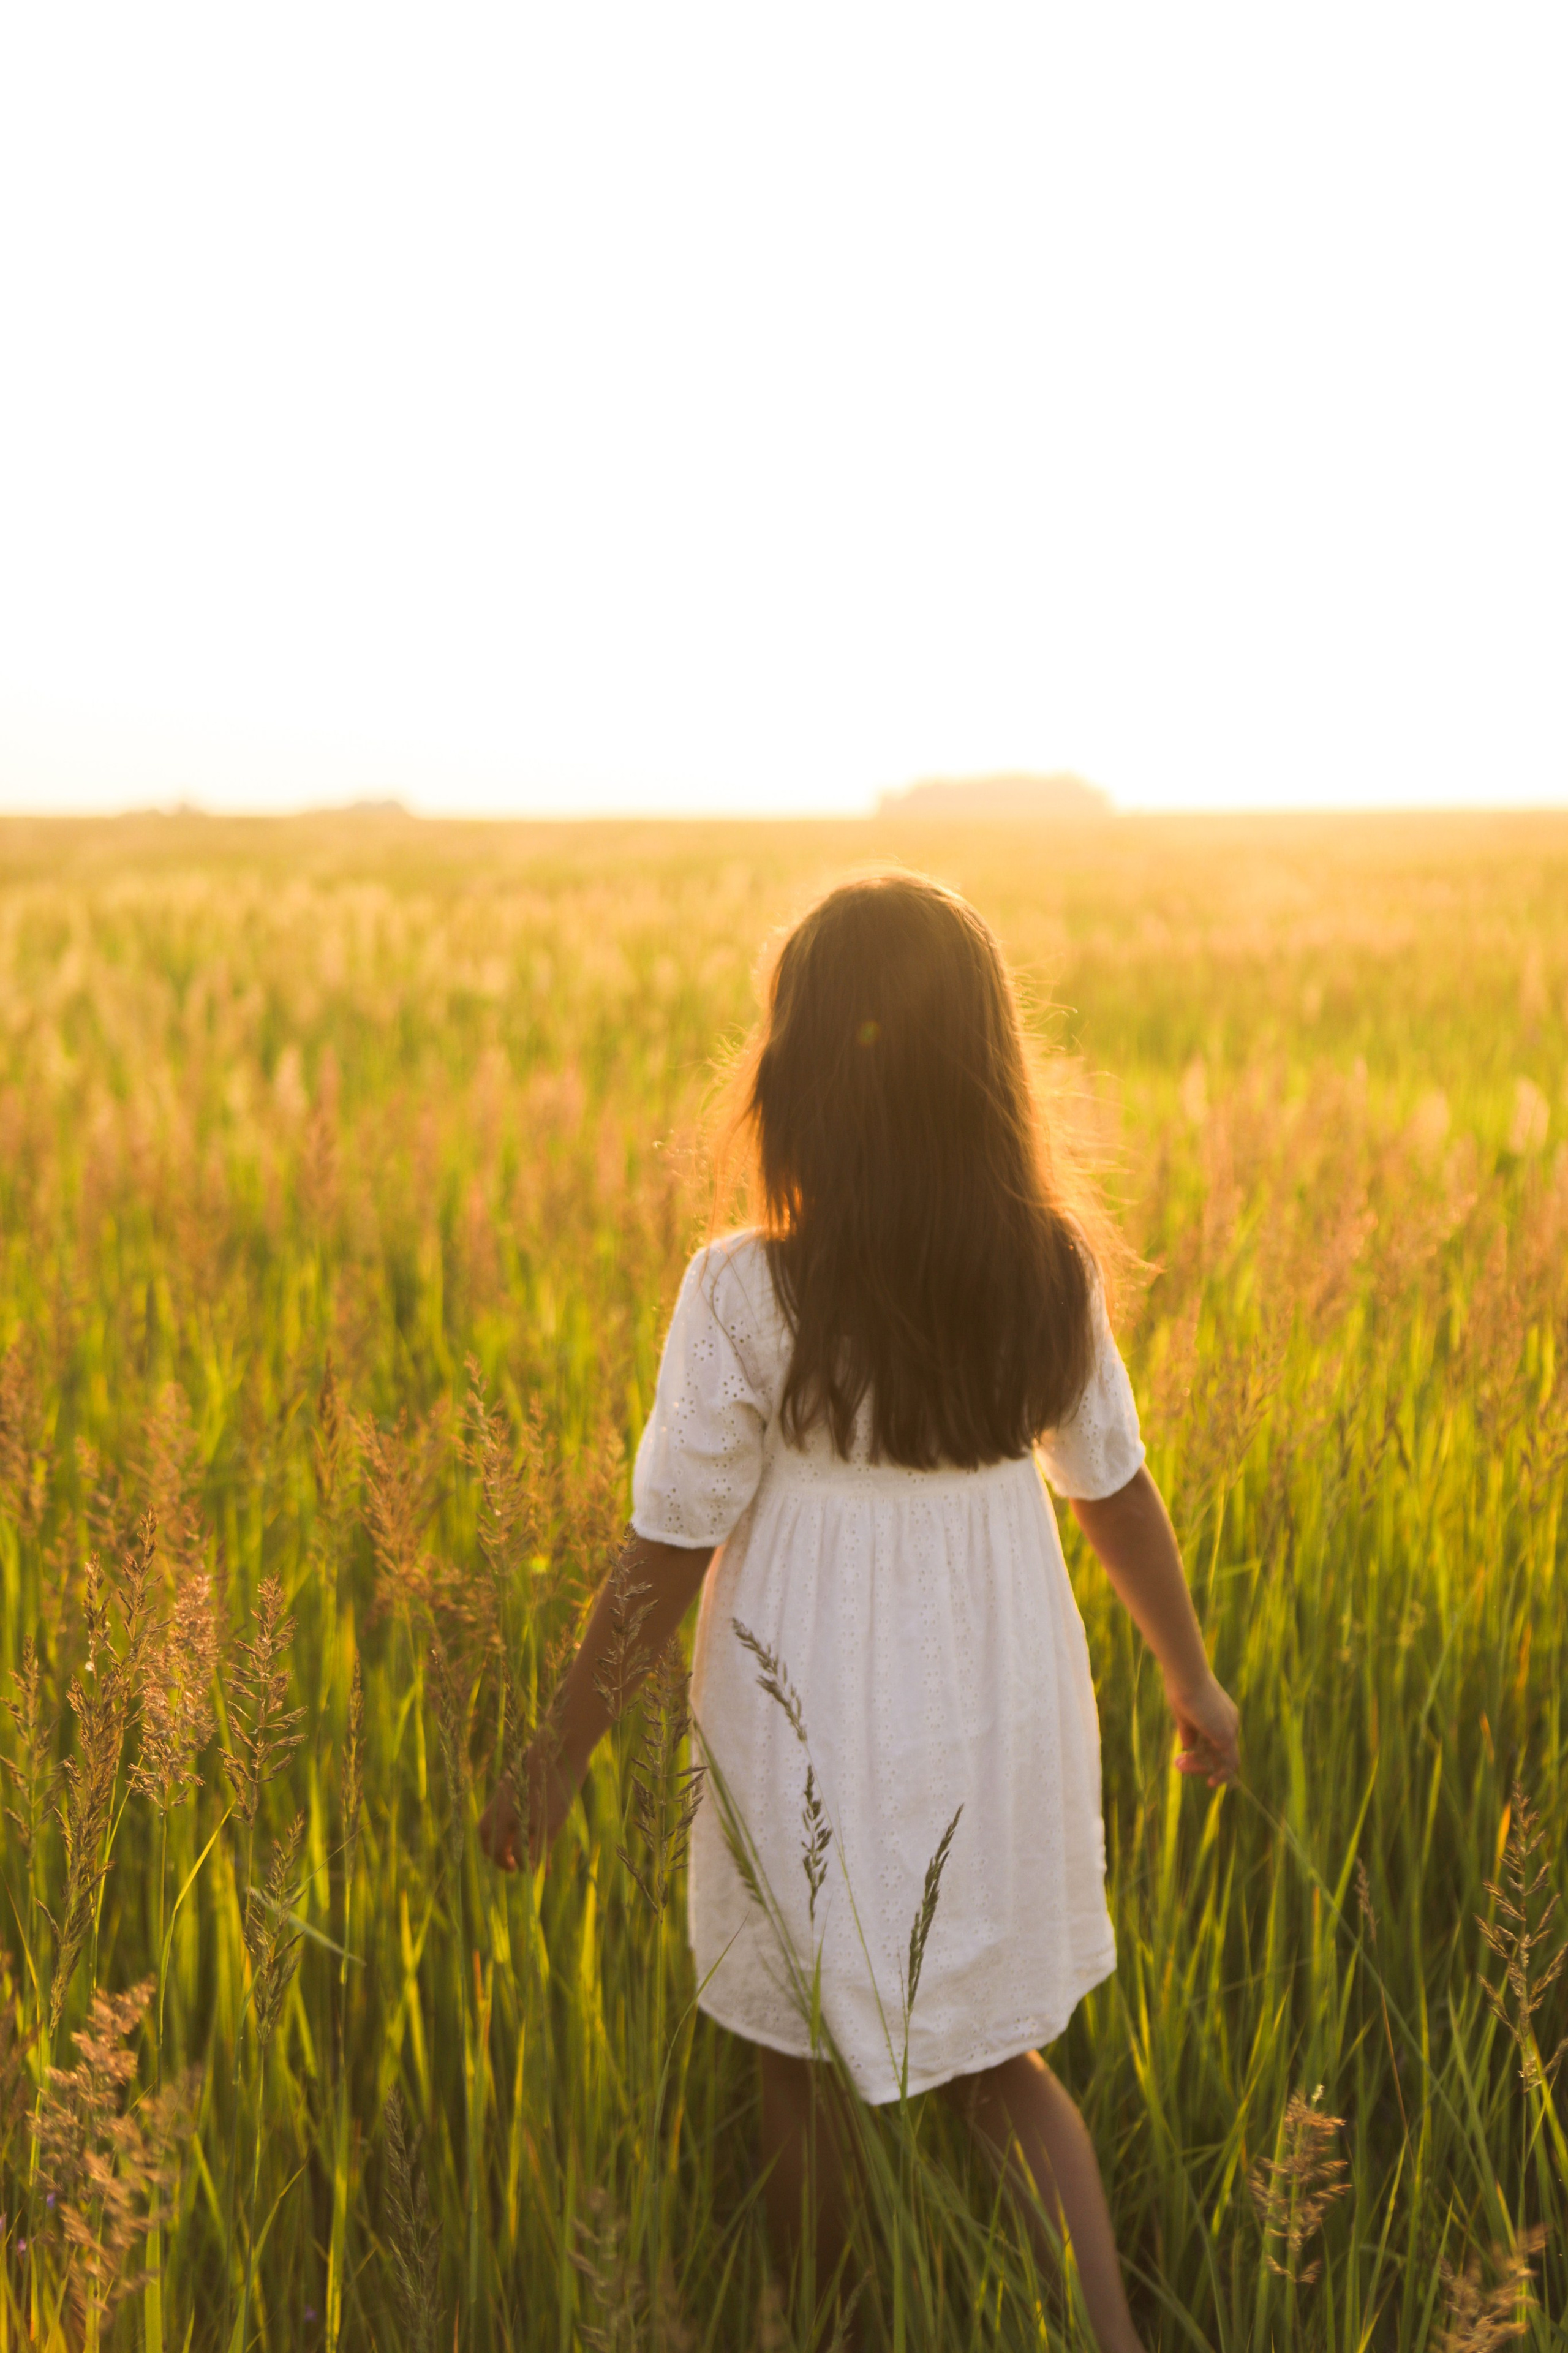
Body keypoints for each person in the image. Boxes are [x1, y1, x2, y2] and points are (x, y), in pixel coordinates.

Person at [481, 874, 1240, 2353]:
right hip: (996, 1699)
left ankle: (825, 2327)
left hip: (804, 1703)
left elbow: (664, 1549)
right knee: (998, 2058)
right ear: (987, 1077)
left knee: (800, 2054)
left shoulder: (745, 1291)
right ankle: (1106, 2339)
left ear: (795, 1078)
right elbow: (1112, 1488)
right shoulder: (1046, 1272)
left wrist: (559, 1750)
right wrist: (1188, 1677)